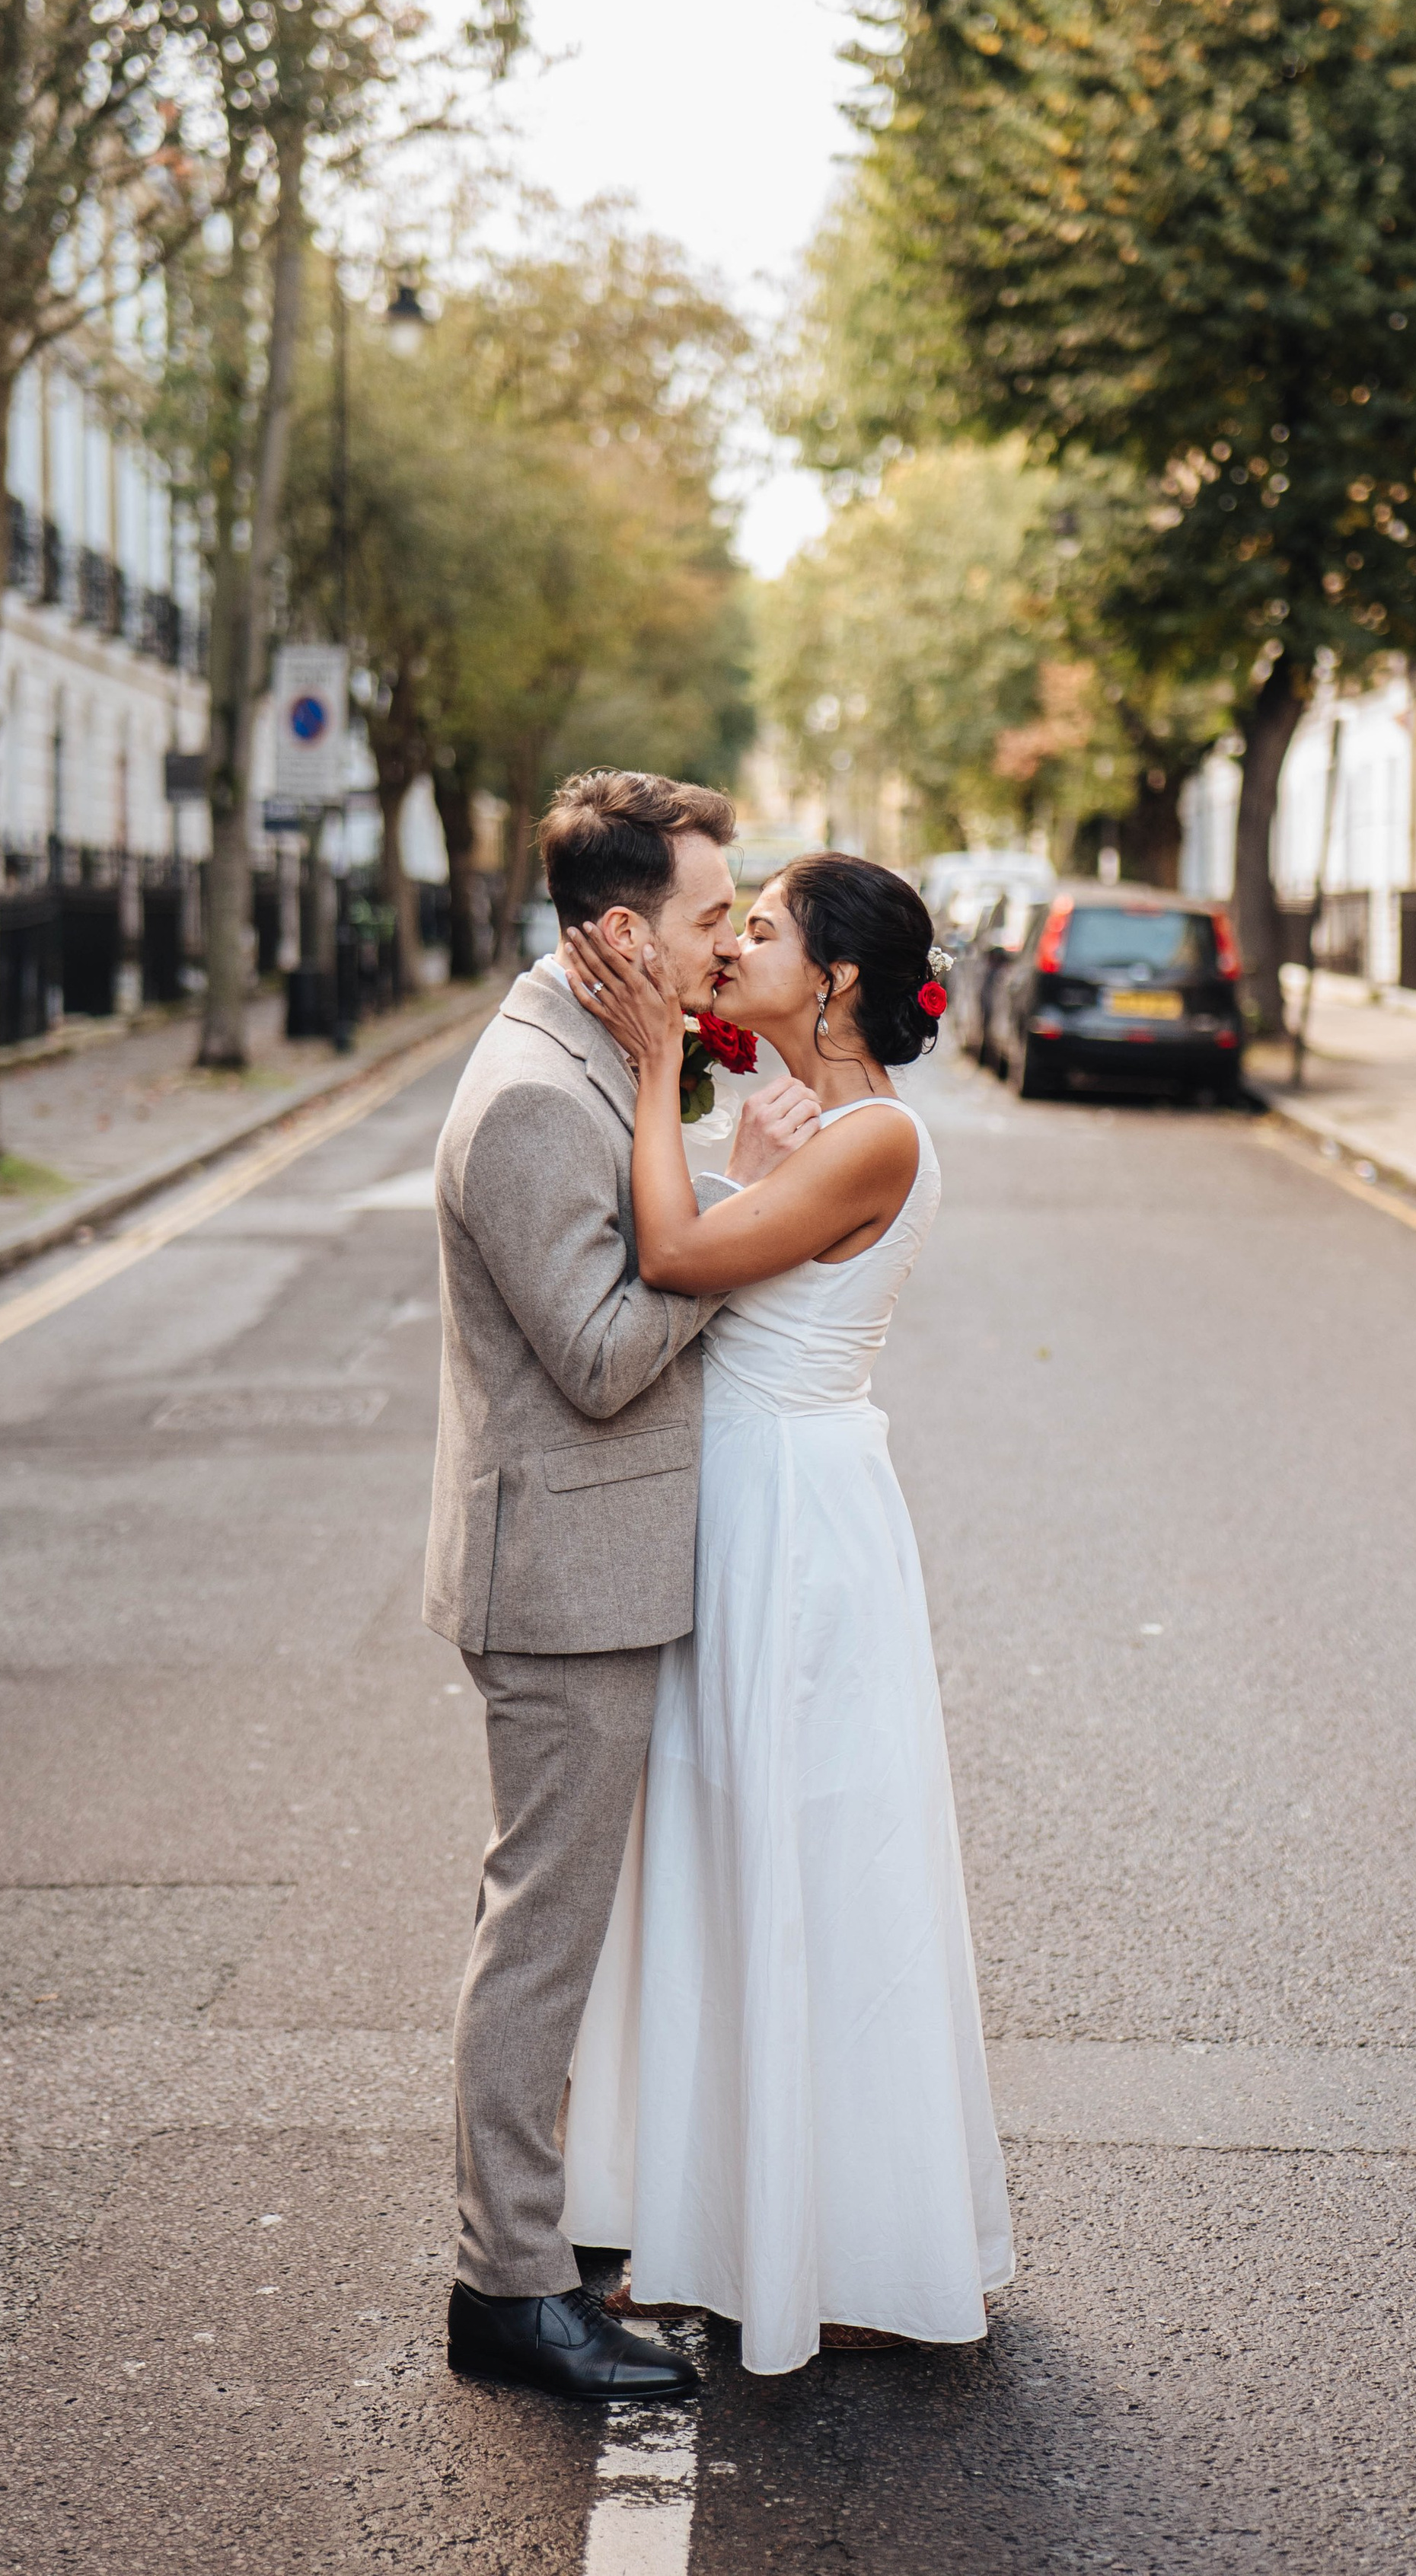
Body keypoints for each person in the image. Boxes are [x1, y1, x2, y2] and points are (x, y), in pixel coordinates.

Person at [560, 851, 1014, 2376]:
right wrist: (697, 1105)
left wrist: (648, 1073)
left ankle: (832, 2232)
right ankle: (707, 2206)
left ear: (830, 980)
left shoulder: (871, 1136)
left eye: (759, 927)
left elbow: (680, 1254)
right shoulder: (788, 1119)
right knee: (715, 1846)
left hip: (797, 1528)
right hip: (737, 1505)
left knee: (807, 1857)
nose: (732, 940)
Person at [426, 770, 821, 2405]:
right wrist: (737, 1237)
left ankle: (550, 2231)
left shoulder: (596, 1052)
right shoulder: (533, 1092)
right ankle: (507, 2290)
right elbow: (596, 1356)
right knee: (538, 1935)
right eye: (707, 916)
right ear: (616, 934)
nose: (726, 938)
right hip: (562, 1583)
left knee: (561, 1926)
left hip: (597, 1564)